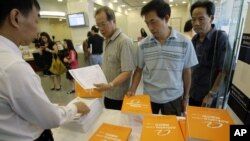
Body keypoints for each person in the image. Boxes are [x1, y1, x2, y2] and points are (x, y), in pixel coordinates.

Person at [0, 0, 90, 140]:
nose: (38, 28)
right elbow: (50, 119)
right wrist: (75, 108)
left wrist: (50, 106)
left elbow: (22, 105)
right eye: (36, 20)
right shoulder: (14, 67)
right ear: (16, 17)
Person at [126, 0, 198, 116]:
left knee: (171, 130)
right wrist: (132, 90)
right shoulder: (143, 45)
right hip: (149, 97)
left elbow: (187, 72)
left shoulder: (185, 42)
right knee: (148, 128)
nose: (150, 27)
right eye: (147, 23)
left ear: (166, 18)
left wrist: (186, 97)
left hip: (173, 97)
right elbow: (138, 70)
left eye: (153, 22)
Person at [189, 0, 231, 108]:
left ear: (211, 18)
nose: (196, 23)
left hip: (209, 98)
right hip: (193, 93)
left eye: (201, 19)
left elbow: (224, 70)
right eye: (193, 19)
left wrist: (211, 95)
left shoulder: (220, 38)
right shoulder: (194, 39)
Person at [94, 6, 135, 110]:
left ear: (114, 21)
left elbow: (127, 71)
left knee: (120, 123)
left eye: (103, 24)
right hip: (107, 93)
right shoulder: (106, 40)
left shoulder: (124, 41)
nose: (101, 29)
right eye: (98, 26)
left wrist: (110, 85)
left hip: (119, 97)